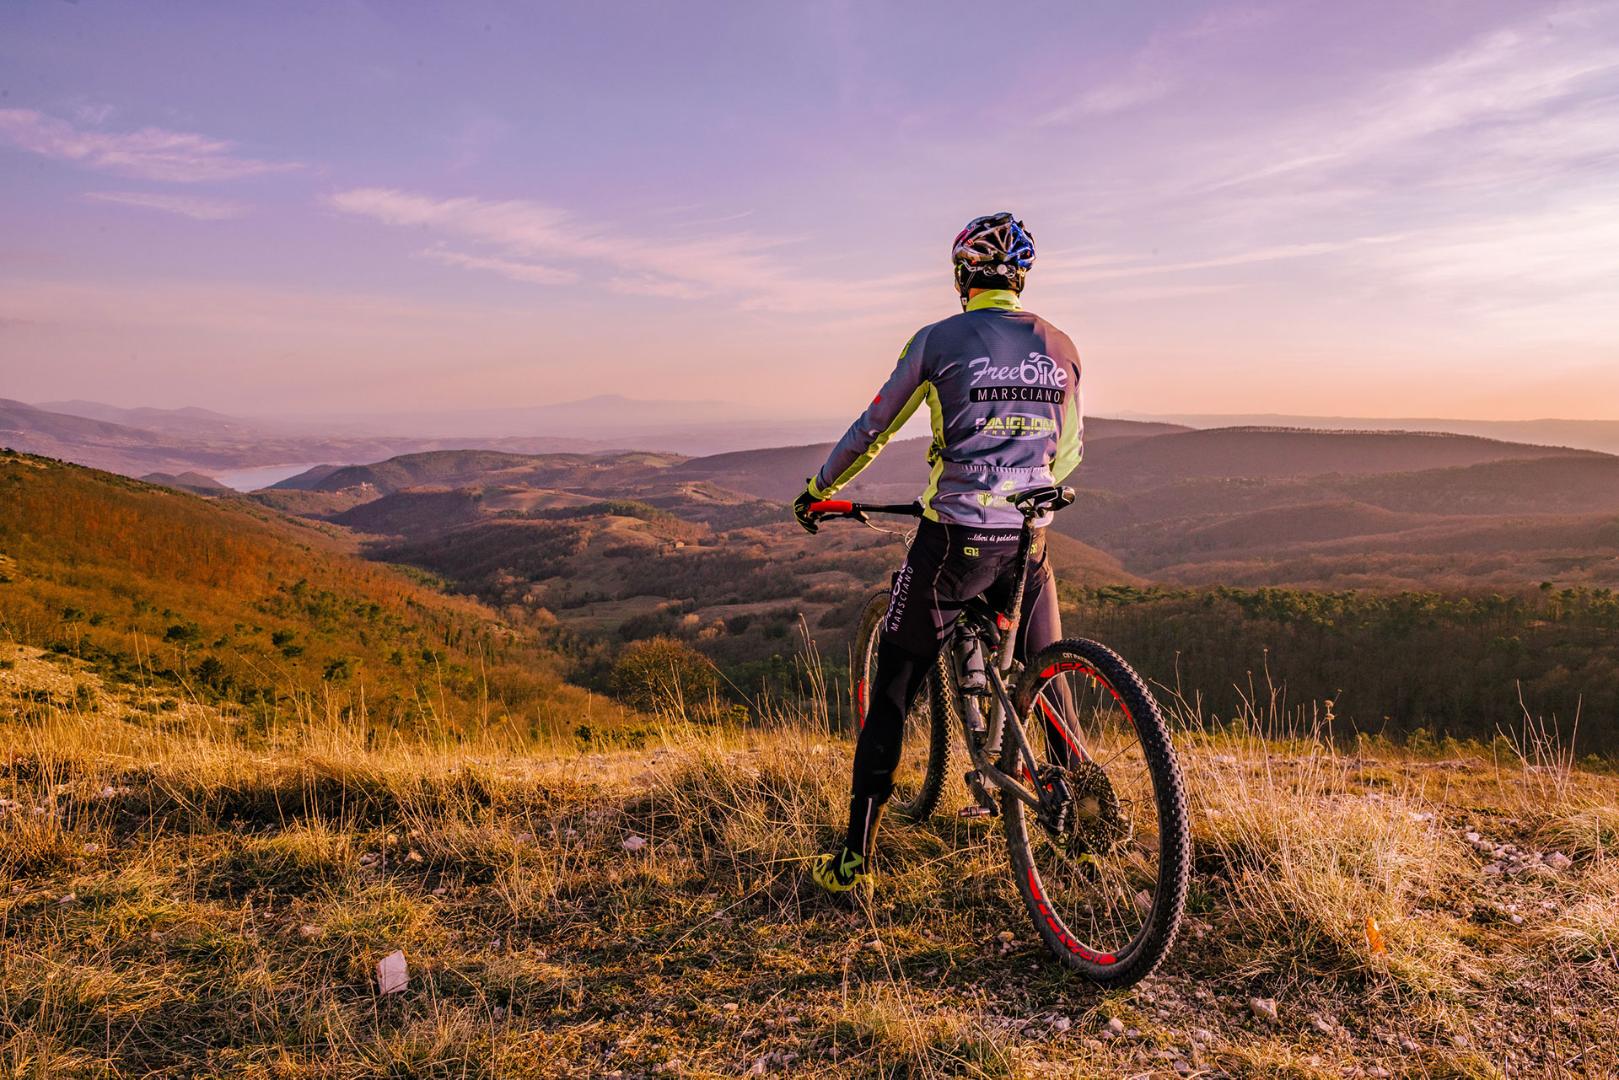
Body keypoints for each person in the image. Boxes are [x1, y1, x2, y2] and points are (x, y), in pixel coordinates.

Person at [792, 212, 1084, 894]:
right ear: (1020, 277)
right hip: (1029, 536)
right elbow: (1066, 450)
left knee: (892, 689)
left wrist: (818, 489)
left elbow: (873, 426)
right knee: (1048, 682)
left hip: (955, 537)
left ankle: (853, 859)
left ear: (962, 276)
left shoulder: (938, 341)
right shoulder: (1061, 345)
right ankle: (1081, 825)